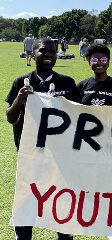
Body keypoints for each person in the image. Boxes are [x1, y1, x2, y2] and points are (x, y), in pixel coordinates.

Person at [5, 37, 79, 240]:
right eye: (44, 51)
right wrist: (19, 100)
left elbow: (80, 119)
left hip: (60, 154)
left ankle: (64, 236)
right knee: (27, 197)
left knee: (62, 197)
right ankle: (23, 236)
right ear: (33, 53)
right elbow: (10, 118)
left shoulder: (67, 83)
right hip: (30, 153)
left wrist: (63, 106)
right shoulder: (21, 82)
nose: (49, 55)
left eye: (52, 52)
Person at [77, 43, 112, 240]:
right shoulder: (81, 86)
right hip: (88, 146)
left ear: (109, 62)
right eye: (95, 59)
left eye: (103, 59)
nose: (99, 63)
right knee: (94, 184)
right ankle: (101, 221)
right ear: (89, 62)